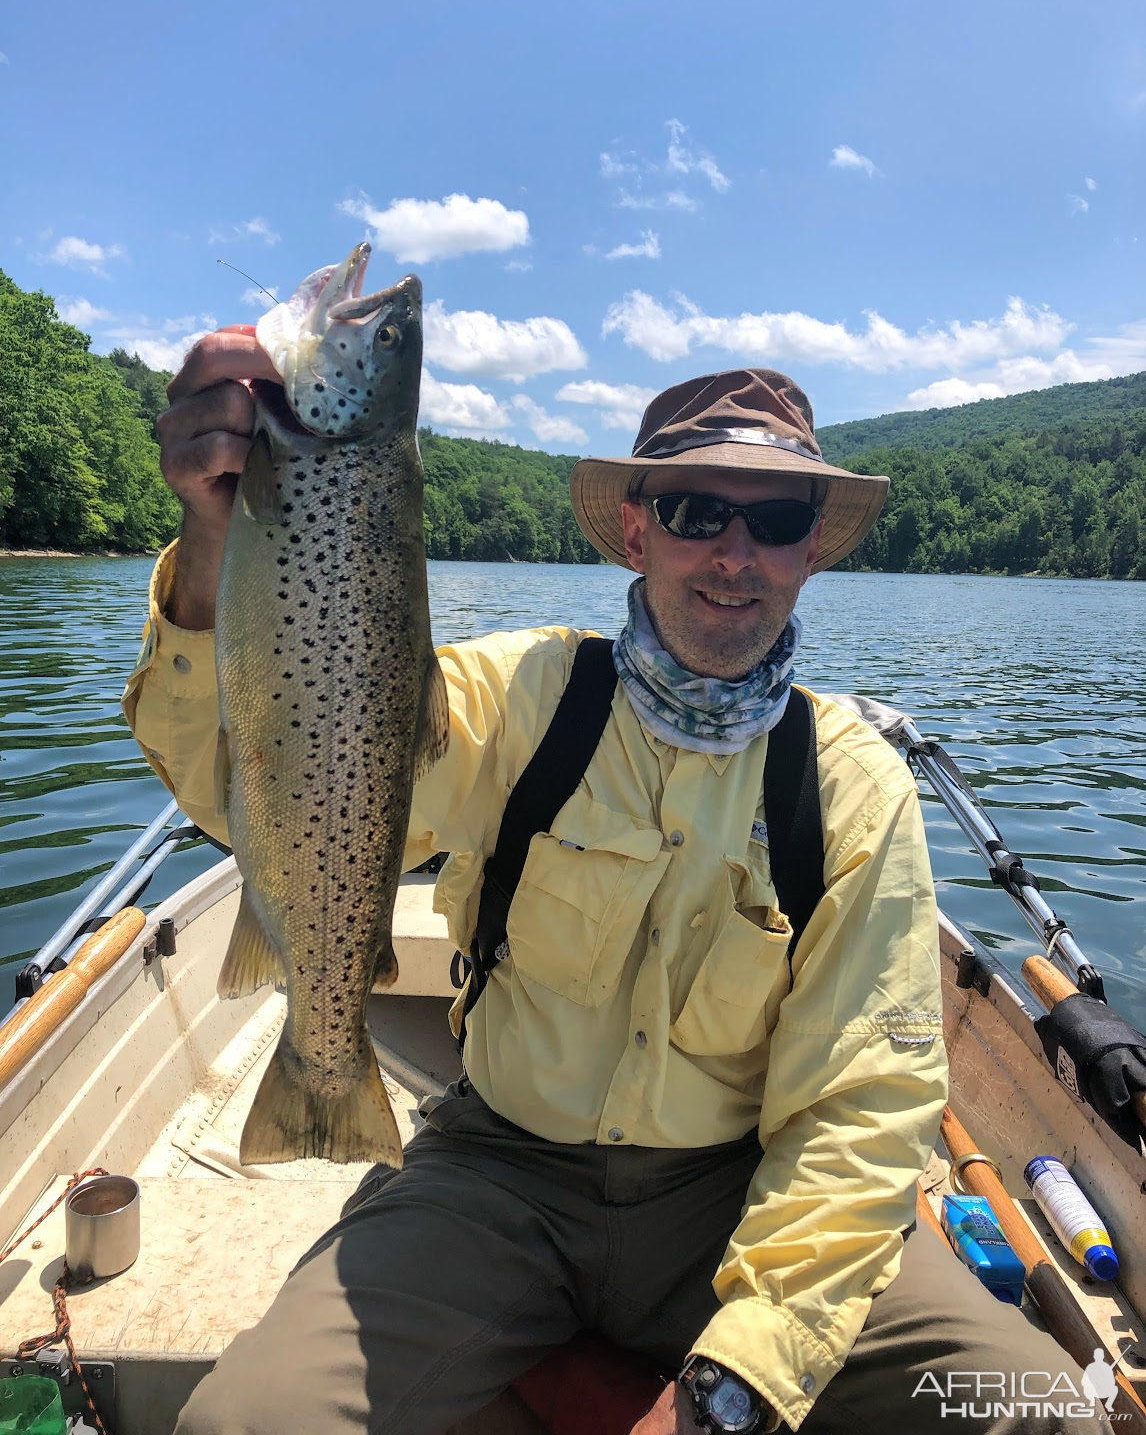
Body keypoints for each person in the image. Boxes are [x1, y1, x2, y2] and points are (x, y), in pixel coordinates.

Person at [125, 344, 1104, 1435]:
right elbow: (255, 777)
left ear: (811, 552)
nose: (735, 553)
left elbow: (862, 1108)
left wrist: (742, 1375)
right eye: (695, 509)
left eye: (776, 521)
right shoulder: (524, 696)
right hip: (498, 1177)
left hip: (740, 1197)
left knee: (1046, 1410)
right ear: (637, 532)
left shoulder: (853, 784)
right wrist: (218, 539)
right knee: (239, 1426)